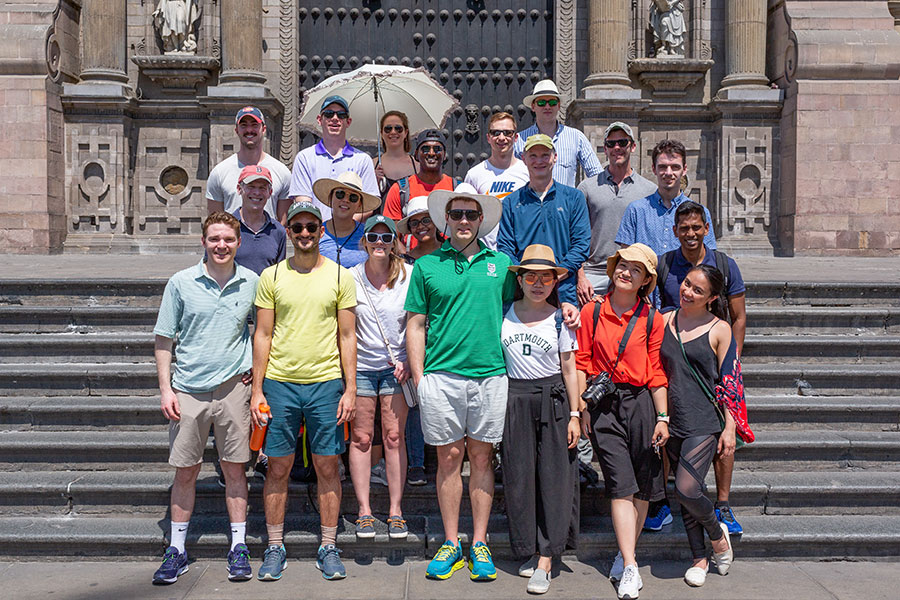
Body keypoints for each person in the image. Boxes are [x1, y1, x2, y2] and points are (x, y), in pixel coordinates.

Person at [405, 186, 514, 582]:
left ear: (481, 220)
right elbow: (415, 324)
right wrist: (420, 378)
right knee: (449, 460)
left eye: (471, 214)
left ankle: (479, 541)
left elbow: (521, 307)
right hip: (442, 376)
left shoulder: (500, 264)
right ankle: (452, 542)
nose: (464, 221)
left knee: (482, 459)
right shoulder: (427, 265)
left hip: (489, 374)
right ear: (445, 221)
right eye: (457, 215)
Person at [251, 200, 357, 582]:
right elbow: (262, 333)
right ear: (289, 232)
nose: (306, 234)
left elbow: (347, 335)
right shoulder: (273, 277)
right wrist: (257, 389)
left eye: (312, 227)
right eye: (298, 228)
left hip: (326, 383)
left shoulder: (341, 277)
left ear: (321, 230)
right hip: (280, 382)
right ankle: (275, 546)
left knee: (328, 465)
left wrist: (351, 388)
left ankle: (328, 545)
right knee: (277, 466)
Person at [152, 212, 259, 584]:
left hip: (234, 388)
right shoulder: (181, 282)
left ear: (238, 243)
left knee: (234, 469)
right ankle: (177, 549)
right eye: (214, 239)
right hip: (189, 390)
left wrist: (255, 373)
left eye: (228, 239)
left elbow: (263, 335)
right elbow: (164, 340)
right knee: (186, 471)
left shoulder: (252, 283)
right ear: (203, 242)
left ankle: (239, 547)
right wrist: (166, 389)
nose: (221, 246)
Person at [575, 243, 668, 600]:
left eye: (635, 269)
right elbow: (583, 361)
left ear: (645, 281)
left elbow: (657, 370)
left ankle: (623, 553)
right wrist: (581, 409)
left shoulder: (651, 318)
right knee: (619, 483)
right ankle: (630, 565)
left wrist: (662, 417)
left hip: (641, 402)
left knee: (643, 485)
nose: (625, 272)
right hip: (604, 404)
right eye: (622, 265)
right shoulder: (592, 312)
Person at [656, 201, 747, 535]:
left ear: (706, 228)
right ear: (675, 230)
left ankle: (722, 504)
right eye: (684, 228)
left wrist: (730, 362)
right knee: (669, 429)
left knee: (725, 437)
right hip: (675, 360)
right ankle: (664, 499)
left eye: (696, 227)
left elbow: (738, 317)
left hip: (715, 357)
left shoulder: (724, 264)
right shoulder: (666, 264)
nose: (690, 234)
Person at [500, 245, 582, 595]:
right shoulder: (503, 313)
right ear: (519, 279)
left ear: (554, 282)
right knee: (519, 476)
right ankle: (528, 547)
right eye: (530, 276)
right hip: (513, 399)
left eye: (545, 277)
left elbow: (569, 366)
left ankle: (548, 556)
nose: (537, 283)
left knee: (554, 477)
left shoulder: (561, 318)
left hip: (552, 398)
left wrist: (575, 414)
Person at [658, 264, 736, 587]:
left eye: (697, 290)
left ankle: (718, 536)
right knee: (689, 494)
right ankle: (698, 558)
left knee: (687, 488)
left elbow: (731, 381)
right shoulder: (664, 320)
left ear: (712, 298)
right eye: (687, 284)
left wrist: (730, 427)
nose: (687, 292)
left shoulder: (720, 329)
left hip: (704, 419)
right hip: (670, 418)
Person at [349, 215, 413, 540]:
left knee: (393, 437)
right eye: (372, 237)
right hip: (360, 367)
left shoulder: (409, 276)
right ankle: (364, 511)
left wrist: (412, 362)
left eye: (385, 237)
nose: (378, 243)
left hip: (396, 368)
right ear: (364, 241)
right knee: (361, 438)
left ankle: (395, 510)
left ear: (394, 242)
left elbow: (419, 324)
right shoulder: (350, 278)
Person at [496, 134, 590, 308]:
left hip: (563, 292)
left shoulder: (574, 198)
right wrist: (527, 277)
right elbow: (505, 247)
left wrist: (556, 275)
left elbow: (581, 245)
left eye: (545, 155)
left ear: (555, 158)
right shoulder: (511, 202)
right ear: (524, 159)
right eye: (533, 156)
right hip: (522, 293)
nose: (539, 161)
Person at [577, 122, 657, 304]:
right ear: (605, 148)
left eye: (622, 142)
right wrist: (580, 276)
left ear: (633, 146)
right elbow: (574, 235)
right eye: (611, 144)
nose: (617, 148)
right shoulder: (587, 187)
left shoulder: (650, 190)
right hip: (593, 274)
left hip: (632, 274)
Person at [395, 195, 441, 486]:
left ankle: (437, 456)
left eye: (426, 220)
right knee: (415, 399)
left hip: (442, 332)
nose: (422, 226)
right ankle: (417, 461)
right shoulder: (402, 261)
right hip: (411, 332)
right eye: (415, 222)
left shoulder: (451, 254)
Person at [616, 139, 716, 256]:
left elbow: (708, 258)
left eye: (675, 167)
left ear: (684, 170)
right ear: (654, 169)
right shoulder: (636, 211)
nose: (668, 173)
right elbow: (625, 257)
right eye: (663, 167)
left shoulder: (700, 212)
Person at [289, 95, 379, 221]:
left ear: (348, 122)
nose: (335, 119)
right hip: (317, 235)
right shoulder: (304, 158)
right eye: (329, 114)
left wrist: (342, 226)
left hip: (351, 236)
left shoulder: (363, 159)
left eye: (341, 115)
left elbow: (368, 205)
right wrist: (321, 230)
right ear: (320, 120)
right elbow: (303, 200)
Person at [207, 106, 292, 221]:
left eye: (254, 125)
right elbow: (215, 221)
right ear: (236, 130)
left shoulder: (282, 172)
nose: (249, 130)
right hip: (233, 238)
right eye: (243, 125)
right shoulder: (219, 172)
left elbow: (283, 223)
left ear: (263, 129)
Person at [513, 79, 602, 187]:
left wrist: (580, 197)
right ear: (533, 106)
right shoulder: (520, 140)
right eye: (541, 103)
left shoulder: (576, 137)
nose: (547, 107)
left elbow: (596, 175)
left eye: (552, 102)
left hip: (565, 203)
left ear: (559, 106)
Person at [463, 111, 530, 248]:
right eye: (496, 133)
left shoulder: (528, 172)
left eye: (507, 133)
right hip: (485, 253)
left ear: (516, 137)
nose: (501, 137)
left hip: (521, 249)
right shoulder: (474, 174)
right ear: (488, 137)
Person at [383, 129, 457, 225]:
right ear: (416, 155)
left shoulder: (456, 189)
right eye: (425, 149)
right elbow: (394, 236)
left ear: (444, 155)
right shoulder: (400, 190)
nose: (431, 153)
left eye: (437, 149)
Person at [313, 172, 382, 270]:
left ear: (359, 204)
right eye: (340, 194)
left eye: (353, 197)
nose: (346, 200)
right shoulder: (316, 233)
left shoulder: (368, 235)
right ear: (331, 197)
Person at [231, 165, 287, 275]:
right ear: (239, 189)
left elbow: (279, 274)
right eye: (251, 187)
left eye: (262, 188)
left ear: (270, 192)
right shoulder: (226, 227)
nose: (257, 192)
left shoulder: (278, 231)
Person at [373, 111, 418, 206]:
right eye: (388, 129)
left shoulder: (417, 166)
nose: (393, 132)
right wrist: (373, 182)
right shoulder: (373, 164)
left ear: (406, 133)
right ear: (381, 133)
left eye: (398, 129)